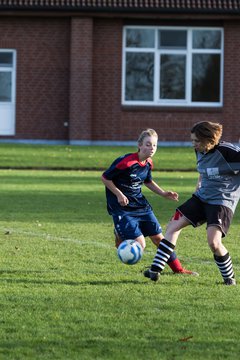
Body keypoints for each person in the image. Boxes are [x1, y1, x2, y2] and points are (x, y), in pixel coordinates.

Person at [144, 121, 240, 285]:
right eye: (192, 140)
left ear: (209, 140)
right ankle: (155, 270)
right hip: (201, 197)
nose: (193, 144)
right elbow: (204, 171)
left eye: (196, 141)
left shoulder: (227, 152)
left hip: (221, 201)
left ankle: (229, 278)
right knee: (173, 225)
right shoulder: (199, 152)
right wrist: (198, 186)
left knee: (214, 243)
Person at [101, 128, 198, 275]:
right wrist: (119, 194)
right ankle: (120, 234)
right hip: (123, 208)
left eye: (154, 145)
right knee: (140, 244)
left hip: (141, 206)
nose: (152, 148)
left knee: (160, 239)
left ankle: (178, 270)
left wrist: (164, 193)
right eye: (148, 144)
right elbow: (105, 178)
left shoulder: (148, 163)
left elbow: (148, 181)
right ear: (139, 145)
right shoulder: (126, 162)